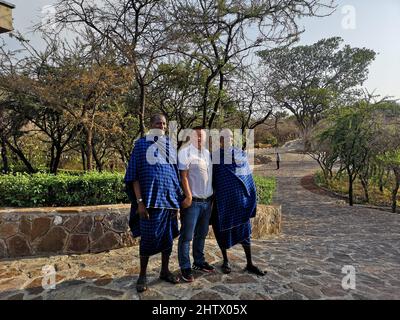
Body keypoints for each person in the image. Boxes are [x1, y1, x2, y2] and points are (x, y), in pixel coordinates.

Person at [124, 114, 182, 293]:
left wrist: (177, 203)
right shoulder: (141, 145)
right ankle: (142, 275)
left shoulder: (171, 147)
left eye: (164, 123)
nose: (162, 125)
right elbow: (133, 176)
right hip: (149, 202)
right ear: (151, 125)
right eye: (158, 122)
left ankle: (164, 271)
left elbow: (175, 175)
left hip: (169, 202)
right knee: (148, 240)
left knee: (168, 239)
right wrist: (140, 202)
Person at [211, 129, 265, 276]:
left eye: (230, 136)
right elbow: (211, 177)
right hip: (223, 203)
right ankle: (226, 260)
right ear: (220, 139)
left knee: (245, 233)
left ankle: (250, 263)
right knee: (222, 232)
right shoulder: (214, 156)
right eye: (224, 137)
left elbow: (247, 175)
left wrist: (251, 195)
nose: (227, 139)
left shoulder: (241, 154)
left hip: (240, 201)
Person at [177, 126, 215, 282]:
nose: (200, 138)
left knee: (202, 234)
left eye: (202, 136)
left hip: (207, 202)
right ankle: (185, 267)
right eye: (197, 136)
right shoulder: (185, 153)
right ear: (191, 137)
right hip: (193, 203)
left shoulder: (207, 154)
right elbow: (183, 176)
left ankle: (198, 262)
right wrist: (188, 196)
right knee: (186, 236)